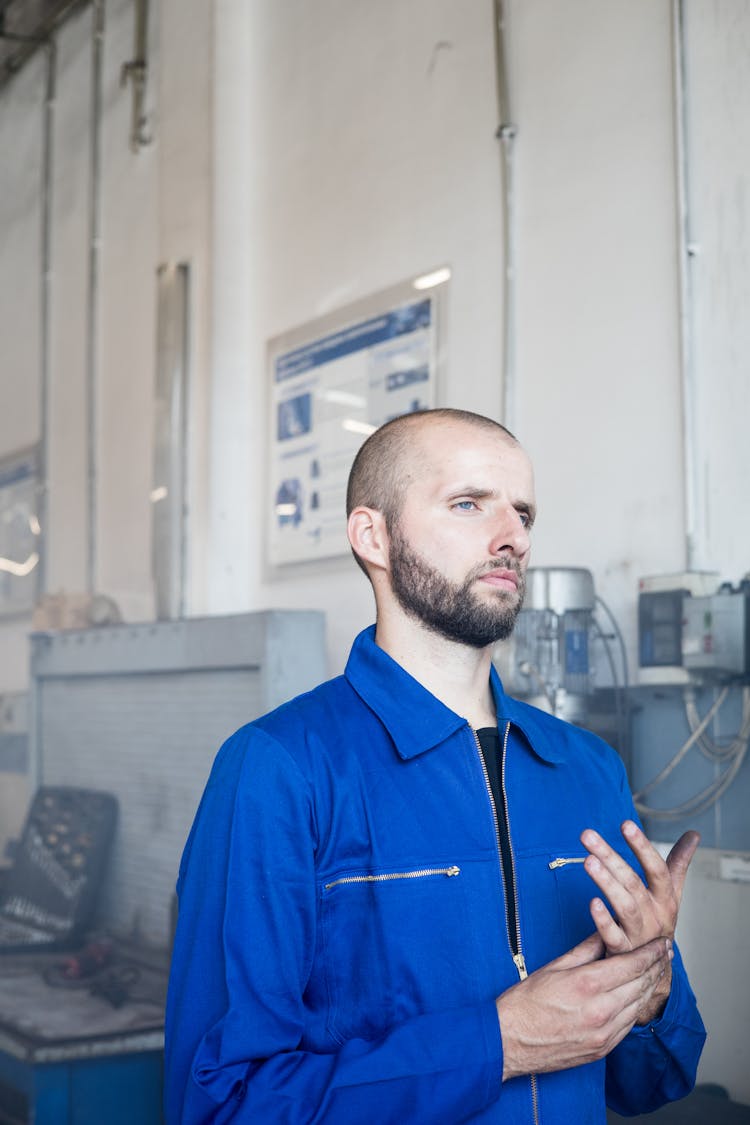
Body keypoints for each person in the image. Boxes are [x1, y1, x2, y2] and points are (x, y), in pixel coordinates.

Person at [165, 408, 706, 1124]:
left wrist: (651, 980)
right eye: (467, 503)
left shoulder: (586, 768)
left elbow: (652, 1083)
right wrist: (498, 1044)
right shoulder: (280, 771)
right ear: (374, 536)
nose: (512, 536)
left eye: (522, 512)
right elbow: (219, 1103)